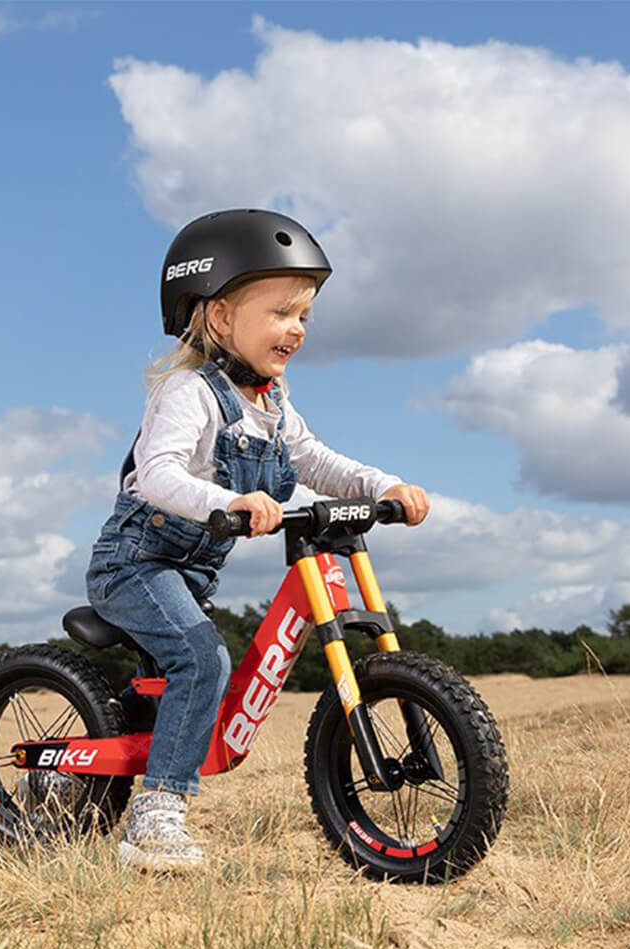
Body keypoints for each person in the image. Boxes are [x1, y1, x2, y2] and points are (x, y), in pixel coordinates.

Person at [85, 209, 430, 871]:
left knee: (191, 666)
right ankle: (155, 817)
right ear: (218, 317)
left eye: (304, 315)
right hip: (135, 565)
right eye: (279, 312)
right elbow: (156, 474)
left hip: (188, 575)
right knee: (203, 658)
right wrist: (230, 500)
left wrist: (385, 485)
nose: (296, 329)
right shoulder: (189, 392)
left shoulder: (272, 404)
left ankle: (143, 749)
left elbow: (319, 462)